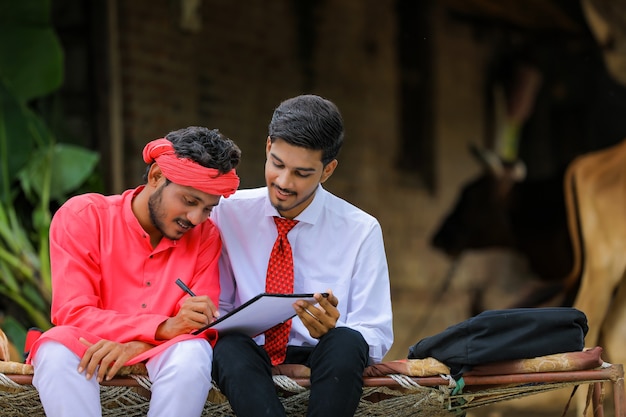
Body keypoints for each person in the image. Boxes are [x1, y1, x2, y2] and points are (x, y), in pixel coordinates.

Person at [27, 126, 241, 417]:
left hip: (165, 353)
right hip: (86, 345)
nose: (195, 218)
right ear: (156, 176)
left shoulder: (205, 236)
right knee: (54, 352)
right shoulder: (83, 217)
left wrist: (135, 345)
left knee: (191, 354)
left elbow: (194, 324)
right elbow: (73, 313)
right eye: (189, 201)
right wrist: (162, 327)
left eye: (207, 208)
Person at [211, 94, 394, 417]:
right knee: (227, 347)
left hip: (324, 358)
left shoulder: (360, 229)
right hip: (248, 357)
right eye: (277, 164)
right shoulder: (226, 213)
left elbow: (376, 333)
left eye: (302, 173)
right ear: (268, 148)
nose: (283, 182)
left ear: (328, 171)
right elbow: (218, 306)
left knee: (347, 342)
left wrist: (332, 329)